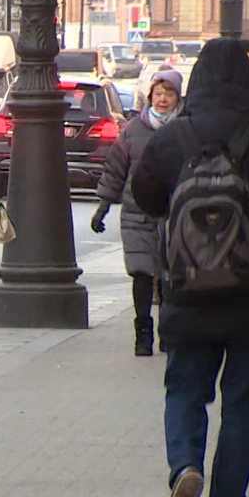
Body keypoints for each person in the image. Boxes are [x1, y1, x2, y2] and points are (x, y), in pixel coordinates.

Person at [131, 38, 249, 497]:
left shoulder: (172, 137)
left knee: (185, 389)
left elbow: (145, 196)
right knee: (243, 403)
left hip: (187, 291)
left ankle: (184, 467)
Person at [91, 68, 183, 357]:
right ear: (149, 96)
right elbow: (115, 170)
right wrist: (103, 207)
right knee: (142, 274)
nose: (163, 99)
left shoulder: (187, 129)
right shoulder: (133, 130)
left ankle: (168, 332)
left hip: (176, 214)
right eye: (158, 94)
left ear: (177, 97)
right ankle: (142, 332)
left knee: (171, 277)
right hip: (137, 214)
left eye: (169, 94)